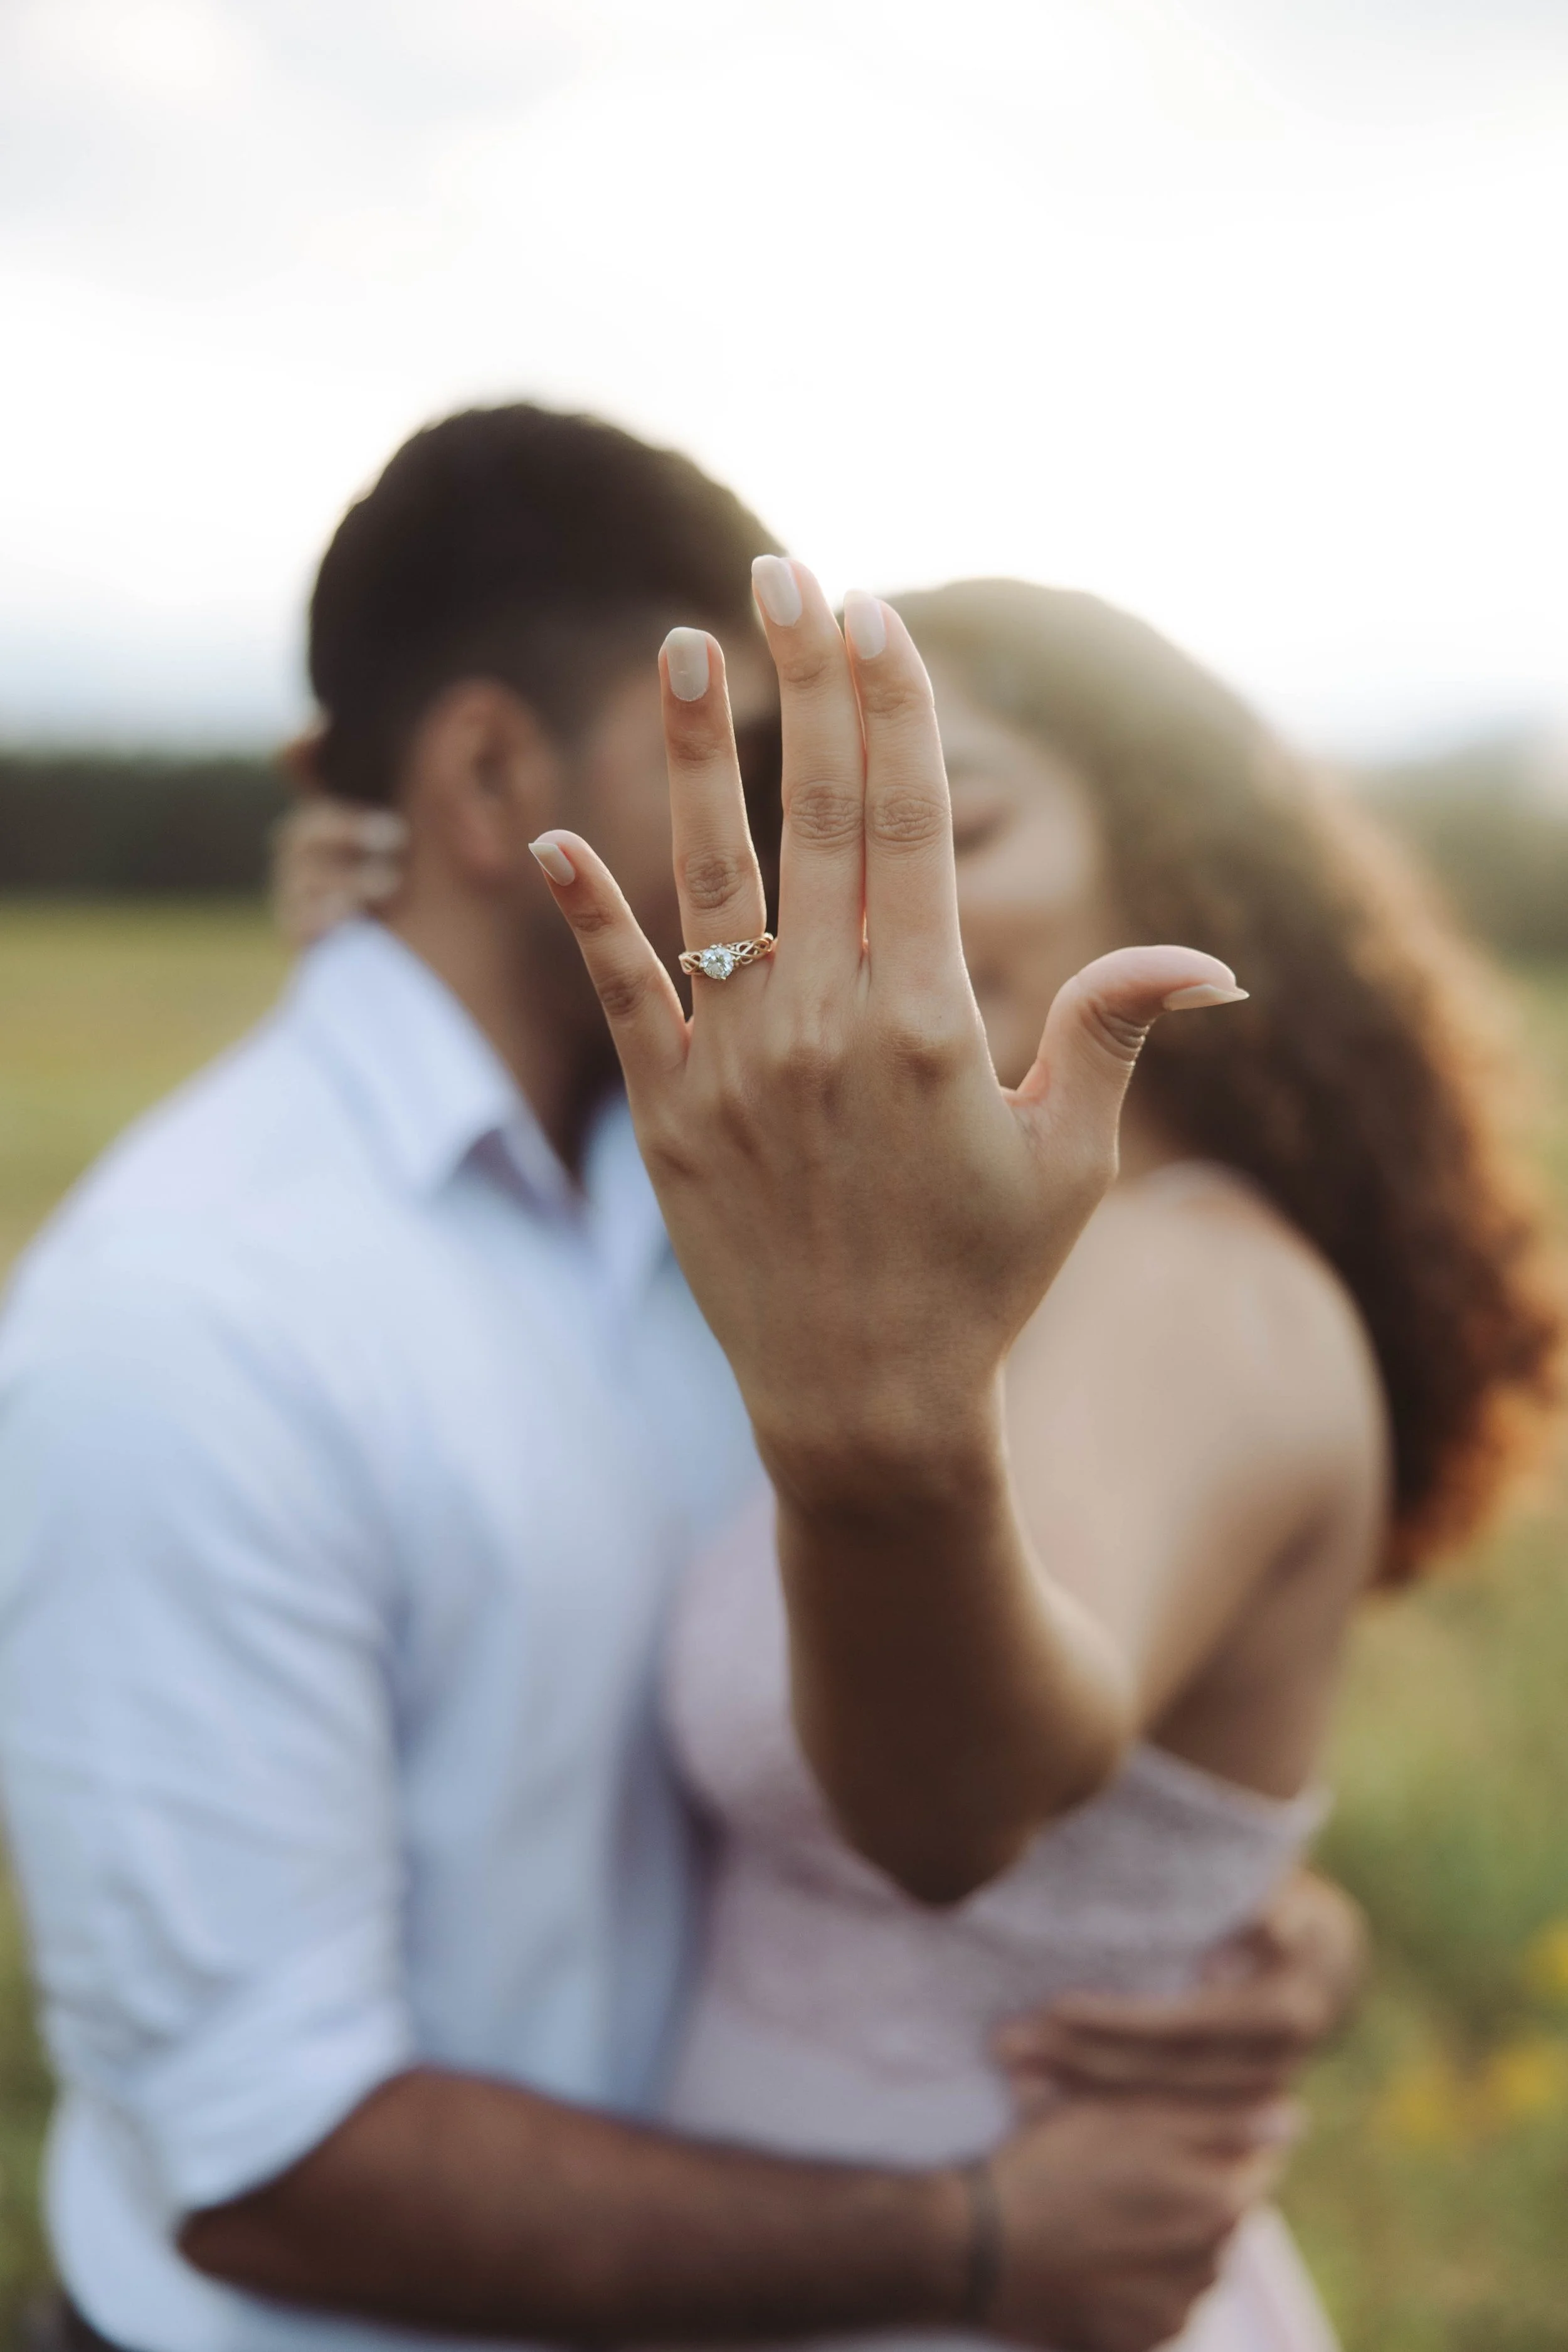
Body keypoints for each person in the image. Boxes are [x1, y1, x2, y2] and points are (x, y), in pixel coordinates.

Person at [0, 407, 1361, 2352]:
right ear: (489, 771)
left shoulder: (737, 1192)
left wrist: (1210, 1906)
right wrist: (965, 2237)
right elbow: (264, 2156)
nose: (816, 866)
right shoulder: (187, 1318)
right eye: (743, 772)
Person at [514, 569, 1558, 2347]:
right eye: (816, 865)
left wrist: (873, 1429)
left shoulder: (1204, 1287)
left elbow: (946, 1814)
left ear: (1169, 855)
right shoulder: (971, 1278)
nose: (877, 917)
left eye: (960, 823)